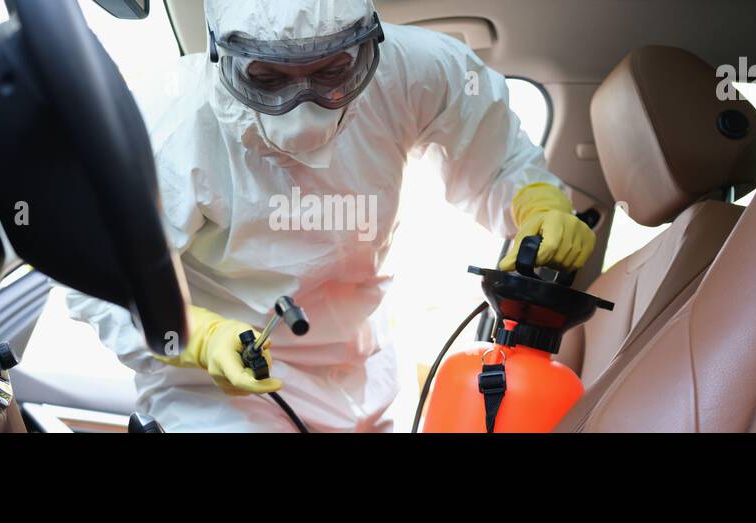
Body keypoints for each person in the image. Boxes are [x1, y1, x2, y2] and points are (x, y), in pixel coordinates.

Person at [66, 0, 595, 432]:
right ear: (222, 58)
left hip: (365, 365)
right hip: (221, 386)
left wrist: (538, 205)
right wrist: (196, 336)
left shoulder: (420, 70)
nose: (304, 111)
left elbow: (496, 156)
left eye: (330, 71)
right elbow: (97, 275)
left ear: (368, 44)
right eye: (269, 78)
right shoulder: (169, 120)